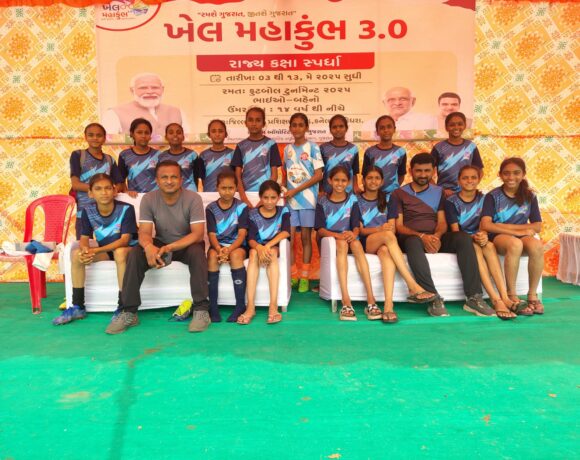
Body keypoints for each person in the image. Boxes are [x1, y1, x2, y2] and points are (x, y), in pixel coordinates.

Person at [106, 160, 210, 334]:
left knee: (197, 252)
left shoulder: (193, 198)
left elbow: (198, 234)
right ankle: (129, 312)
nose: (169, 181)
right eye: (164, 177)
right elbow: (145, 232)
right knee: (135, 253)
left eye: (174, 177)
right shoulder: (149, 199)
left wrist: (170, 248)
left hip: (187, 243)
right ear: (157, 180)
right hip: (162, 242)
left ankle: (201, 310)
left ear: (181, 179)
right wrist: (148, 247)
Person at [390, 153, 495, 317]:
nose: (423, 175)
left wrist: (437, 236)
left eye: (427, 171)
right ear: (411, 171)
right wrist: (423, 237)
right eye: (418, 171)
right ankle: (432, 297)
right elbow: (399, 226)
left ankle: (474, 297)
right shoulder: (398, 193)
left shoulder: (440, 192)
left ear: (433, 171)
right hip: (412, 238)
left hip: (436, 237)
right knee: (413, 241)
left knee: (462, 238)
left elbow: (442, 221)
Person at [53, 173, 137, 325]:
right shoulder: (87, 210)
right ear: (90, 193)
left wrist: (95, 251)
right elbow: (84, 237)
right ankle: (78, 307)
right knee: (76, 255)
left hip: (128, 250)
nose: (104, 192)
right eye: (98, 189)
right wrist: (85, 251)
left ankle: (123, 307)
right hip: (106, 251)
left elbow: (124, 240)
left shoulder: (126, 209)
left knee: (119, 252)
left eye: (107, 188)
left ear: (114, 191)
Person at [358, 167, 437, 323]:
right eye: (369, 178)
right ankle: (412, 284)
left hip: (385, 242)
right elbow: (360, 230)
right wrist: (379, 229)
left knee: (386, 251)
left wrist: (384, 231)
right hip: (366, 241)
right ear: (363, 180)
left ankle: (388, 306)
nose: (373, 181)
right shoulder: (356, 200)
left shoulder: (389, 199)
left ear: (382, 181)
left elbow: (393, 228)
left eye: (377, 178)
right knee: (387, 236)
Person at [445, 165, 517, 320]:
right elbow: (455, 230)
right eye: (465, 178)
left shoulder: (485, 199)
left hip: (482, 236)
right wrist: (474, 238)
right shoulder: (451, 201)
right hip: (464, 240)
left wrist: (483, 235)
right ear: (458, 180)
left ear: (479, 179)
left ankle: (505, 297)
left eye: (473, 177)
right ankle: (495, 300)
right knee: (476, 250)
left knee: (489, 246)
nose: (469, 181)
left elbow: (487, 223)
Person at [480, 157, 544, 315]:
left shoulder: (530, 196)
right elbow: (486, 225)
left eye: (516, 173)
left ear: (523, 174)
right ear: (500, 174)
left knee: (536, 245)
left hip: (519, 235)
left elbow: (537, 226)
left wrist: (506, 227)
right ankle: (511, 295)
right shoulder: (492, 196)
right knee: (515, 243)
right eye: (506, 173)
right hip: (499, 237)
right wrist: (519, 231)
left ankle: (532, 295)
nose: (511, 177)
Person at [315, 166, 378, 321]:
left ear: (348, 182)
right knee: (342, 244)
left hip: (348, 238)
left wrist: (353, 234)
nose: (340, 183)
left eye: (343, 180)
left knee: (356, 244)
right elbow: (320, 229)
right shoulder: (322, 201)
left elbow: (356, 225)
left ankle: (371, 300)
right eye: (336, 180)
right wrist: (338, 236)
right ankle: (346, 301)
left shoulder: (352, 199)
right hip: (330, 241)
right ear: (330, 181)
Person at [237, 180, 290, 325]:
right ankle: (250, 307)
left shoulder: (283, 211)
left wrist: (267, 246)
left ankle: (273, 306)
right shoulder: (253, 214)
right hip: (257, 247)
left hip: (274, 247)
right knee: (253, 253)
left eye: (273, 198)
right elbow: (251, 239)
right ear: (260, 197)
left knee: (271, 252)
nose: (269, 201)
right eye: (266, 198)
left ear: (278, 197)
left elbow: (285, 232)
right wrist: (260, 248)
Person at [284, 113, 324, 293]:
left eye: (301, 125)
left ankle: (305, 277)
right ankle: (293, 275)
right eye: (294, 125)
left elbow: (318, 175)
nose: (297, 128)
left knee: (306, 239)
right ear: (290, 128)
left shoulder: (313, 147)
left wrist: (296, 190)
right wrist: (285, 190)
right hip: (290, 201)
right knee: (290, 238)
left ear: (307, 127)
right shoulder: (287, 149)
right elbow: (286, 175)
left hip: (308, 200)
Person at [206, 170, 249, 323]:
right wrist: (219, 250)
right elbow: (211, 234)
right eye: (223, 188)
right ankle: (213, 306)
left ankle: (240, 305)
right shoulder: (211, 208)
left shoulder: (242, 207)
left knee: (236, 256)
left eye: (231, 188)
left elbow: (242, 234)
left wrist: (229, 250)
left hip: (237, 245)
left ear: (236, 188)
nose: (227, 191)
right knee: (212, 256)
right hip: (218, 245)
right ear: (217, 188)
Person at [70, 123, 124, 238]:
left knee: (109, 244)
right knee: (84, 244)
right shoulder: (78, 155)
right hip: (84, 211)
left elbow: (119, 184)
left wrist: (113, 190)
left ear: (104, 138)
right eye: (91, 135)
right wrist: (100, 190)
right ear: (85, 137)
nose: (95, 138)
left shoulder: (110, 159)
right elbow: (75, 185)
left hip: (107, 212)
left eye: (99, 135)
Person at [102, 72, 189, 141]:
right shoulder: (114, 113)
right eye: (143, 88)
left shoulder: (177, 112)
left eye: (155, 87)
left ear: (162, 89)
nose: (150, 92)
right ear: (132, 90)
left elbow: (188, 141)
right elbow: (108, 145)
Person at [231, 107, 282, 207]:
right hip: (246, 195)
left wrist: (265, 197)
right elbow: (237, 175)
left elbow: (274, 175)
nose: (254, 123)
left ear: (264, 123)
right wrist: (244, 199)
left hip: (266, 196)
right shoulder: (241, 146)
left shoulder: (271, 144)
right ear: (245, 123)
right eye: (250, 120)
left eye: (258, 120)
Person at [431, 112, 483, 198]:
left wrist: (470, 187)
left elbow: (479, 171)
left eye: (460, 124)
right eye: (452, 125)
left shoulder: (471, 146)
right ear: (446, 127)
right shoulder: (438, 148)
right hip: (445, 195)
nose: (456, 127)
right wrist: (439, 190)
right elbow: (428, 172)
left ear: (465, 126)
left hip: (465, 194)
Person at [361, 115, 407, 199]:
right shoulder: (370, 152)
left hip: (393, 196)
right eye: (382, 128)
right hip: (374, 196)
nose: (386, 130)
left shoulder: (401, 152)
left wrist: (393, 190)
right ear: (377, 132)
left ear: (394, 129)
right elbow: (365, 176)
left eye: (389, 127)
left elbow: (401, 175)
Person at [118, 118, 161, 198]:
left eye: (147, 133)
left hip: (155, 198)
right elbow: (120, 181)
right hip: (135, 199)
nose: (143, 136)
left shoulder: (158, 155)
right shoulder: (124, 155)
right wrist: (127, 192)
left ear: (150, 136)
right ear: (132, 134)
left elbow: (163, 178)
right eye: (139, 132)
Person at [319, 114, 360, 195]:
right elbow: (319, 172)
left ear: (346, 128)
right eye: (334, 127)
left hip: (347, 191)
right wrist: (321, 190)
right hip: (328, 191)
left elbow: (355, 171)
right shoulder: (323, 148)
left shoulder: (353, 149)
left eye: (341, 126)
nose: (338, 129)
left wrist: (355, 186)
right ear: (330, 130)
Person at [159, 123, 202, 192]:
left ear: (183, 137)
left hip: (189, 193)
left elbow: (196, 177)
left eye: (178, 132)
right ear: (166, 137)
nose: (175, 135)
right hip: (169, 194)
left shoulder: (192, 155)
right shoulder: (161, 157)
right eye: (171, 133)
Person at [198, 119, 234, 192]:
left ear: (226, 134)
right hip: (209, 195)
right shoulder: (203, 155)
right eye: (213, 131)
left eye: (220, 131)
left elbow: (236, 177)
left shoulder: (233, 154)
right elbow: (203, 180)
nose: (217, 134)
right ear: (209, 134)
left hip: (228, 194)